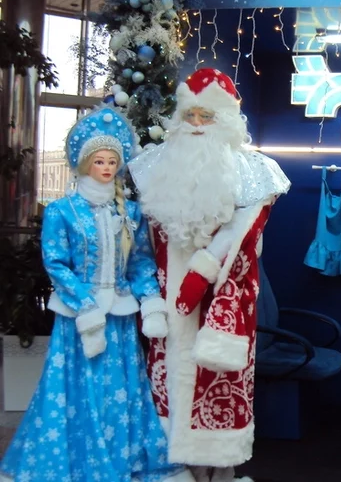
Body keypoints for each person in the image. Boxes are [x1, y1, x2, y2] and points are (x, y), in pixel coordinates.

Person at [0, 107, 193, 482]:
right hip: (79, 319)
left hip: (120, 318)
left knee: (120, 391)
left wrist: (151, 301)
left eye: (112, 161)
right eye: (99, 161)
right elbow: (56, 263)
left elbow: (140, 263)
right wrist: (85, 305)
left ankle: (120, 456)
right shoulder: (62, 211)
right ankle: (74, 460)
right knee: (77, 389)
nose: (106, 168)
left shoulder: (131, 213)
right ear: (85, 163)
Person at [128, 68, 290, 482]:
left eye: (207, 116)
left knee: (217, 386)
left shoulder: (255, 171)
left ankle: (221, 472)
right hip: (168, 304)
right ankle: (177, 469)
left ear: (227, 121)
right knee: (170, 389)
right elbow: (147, 242)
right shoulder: (155, 168)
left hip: (223, 300)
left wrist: (202, 272)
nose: (197, 125)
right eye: (191, 116)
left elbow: (243, 233)